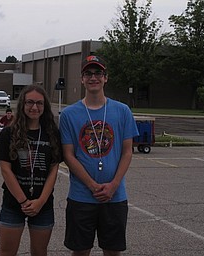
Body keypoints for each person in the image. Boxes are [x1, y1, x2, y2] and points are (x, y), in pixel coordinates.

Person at [59, 55, 139, 256]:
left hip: (115, 197)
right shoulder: (69, 114)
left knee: (112, 251)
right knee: (80, 251)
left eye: (98, 73)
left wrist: (113, 186)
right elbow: (69, 155)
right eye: (88, 73)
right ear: (82, 79)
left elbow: (127, 152)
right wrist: (92, 185)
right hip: (81, 197)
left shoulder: (122, 111)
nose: (93, 77)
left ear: (106, 78)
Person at [0, 84, 62, 256]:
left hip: (43, 205)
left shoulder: (52, 133)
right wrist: (23, 201)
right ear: (22, 104)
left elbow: (54, 169)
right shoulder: (8, 133)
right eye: (30, 102)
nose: (34, 107)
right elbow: (6, 170)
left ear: (44, 107)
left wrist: (40, 201)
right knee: (7, 251)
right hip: (13, 204)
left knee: (39, 251)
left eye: (39, 103)